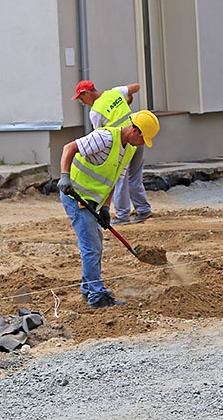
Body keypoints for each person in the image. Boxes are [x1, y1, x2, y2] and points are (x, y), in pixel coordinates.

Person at [57, 110, 160, 309]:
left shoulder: (128, 148)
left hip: (93, 200)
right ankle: (96, 297)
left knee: (96, 246)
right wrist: (64, 176)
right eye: (143, 139)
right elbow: (68, 147)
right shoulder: (104, 138)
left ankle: (89, 290)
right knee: (91, 247)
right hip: (75, 194)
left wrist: (105, 207)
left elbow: (114, 178)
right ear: (135, 130)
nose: (142, 144)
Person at [73, 80, 152, 225]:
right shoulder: (115, 92)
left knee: (119, 178)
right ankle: (143, 210)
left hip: (124, 143)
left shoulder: (95, 112)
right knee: (134, 177)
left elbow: (100, 134)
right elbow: (136, 87)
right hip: (139, 137)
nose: (82, 102)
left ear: (87, 93)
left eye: (81, 98)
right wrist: (128, 99)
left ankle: (122, 215)